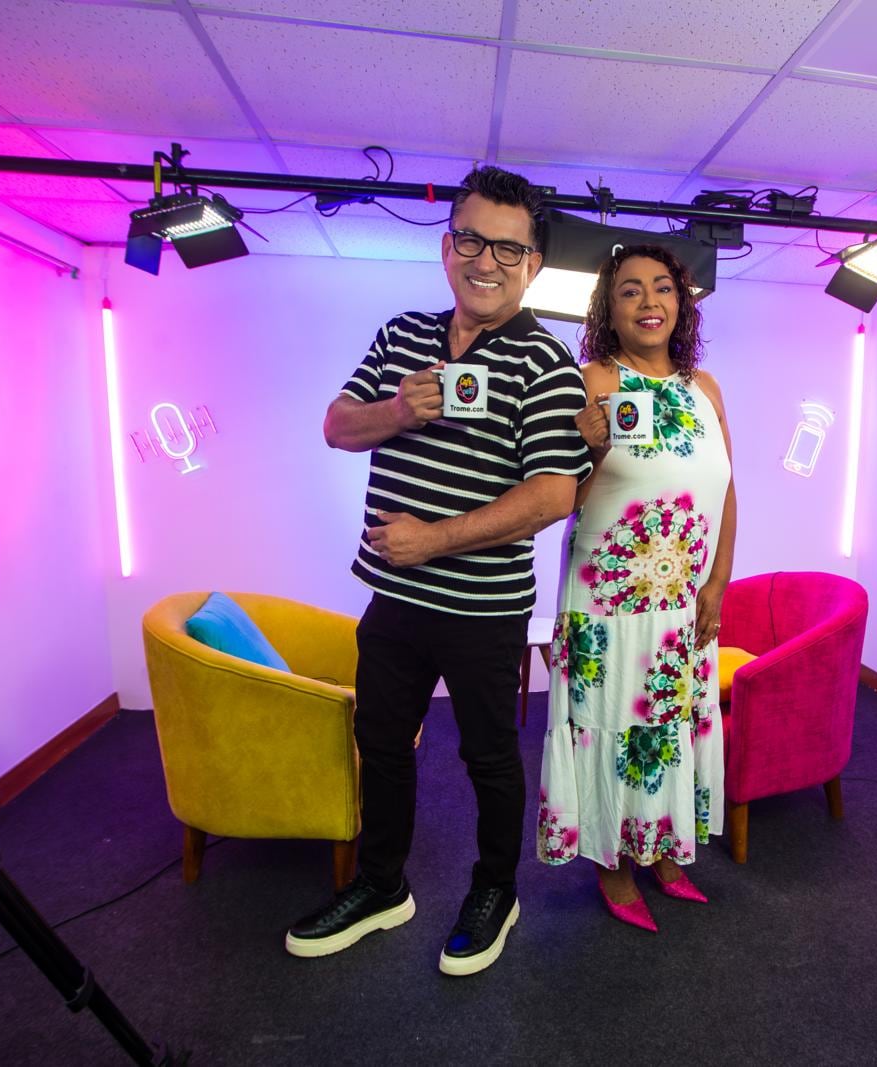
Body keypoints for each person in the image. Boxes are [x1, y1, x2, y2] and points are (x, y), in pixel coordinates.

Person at [286, 166, 591, 975]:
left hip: (485, 609)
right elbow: (335, 427)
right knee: (380, 741)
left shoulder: (546, 363)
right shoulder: (399, 335)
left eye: (505, 246)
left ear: (531, 264)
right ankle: (383, 886)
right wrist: (397, 411)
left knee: (488, 757)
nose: (482, 259)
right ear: (445, 244)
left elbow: (554, 492)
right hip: (395, 600)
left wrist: (436, 538)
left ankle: (497, 888)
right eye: (468, 238)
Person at [535, 245, 736, 930]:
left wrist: (718, 582)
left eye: (662, 288)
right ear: (609, 310)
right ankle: (613, 865)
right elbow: (562, 499)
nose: (649, 301)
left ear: (681, 302)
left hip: (683, 603)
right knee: (611, 729)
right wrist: (586, 447)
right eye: (629, 291)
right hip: (607, 604)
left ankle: (664, 853)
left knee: (669, 729)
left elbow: (726, 490)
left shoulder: (705, 388)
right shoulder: (592, 379)